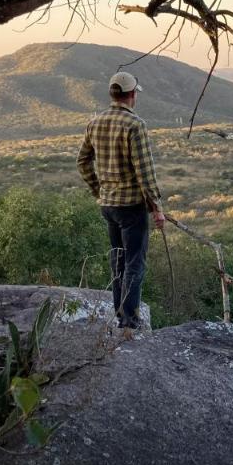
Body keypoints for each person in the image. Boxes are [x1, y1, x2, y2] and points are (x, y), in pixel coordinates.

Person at [77, 71, 165, 338]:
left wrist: (98, 191)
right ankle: (129, 321)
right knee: (135, 263)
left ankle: (119, 314)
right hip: (131, 207)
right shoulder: (134, 125)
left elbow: (82, 162)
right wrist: (157, 208)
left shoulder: (95, 122)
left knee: (118, 259)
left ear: (112, 94)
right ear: (132, 94)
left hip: (108, 206)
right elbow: (145, 173)